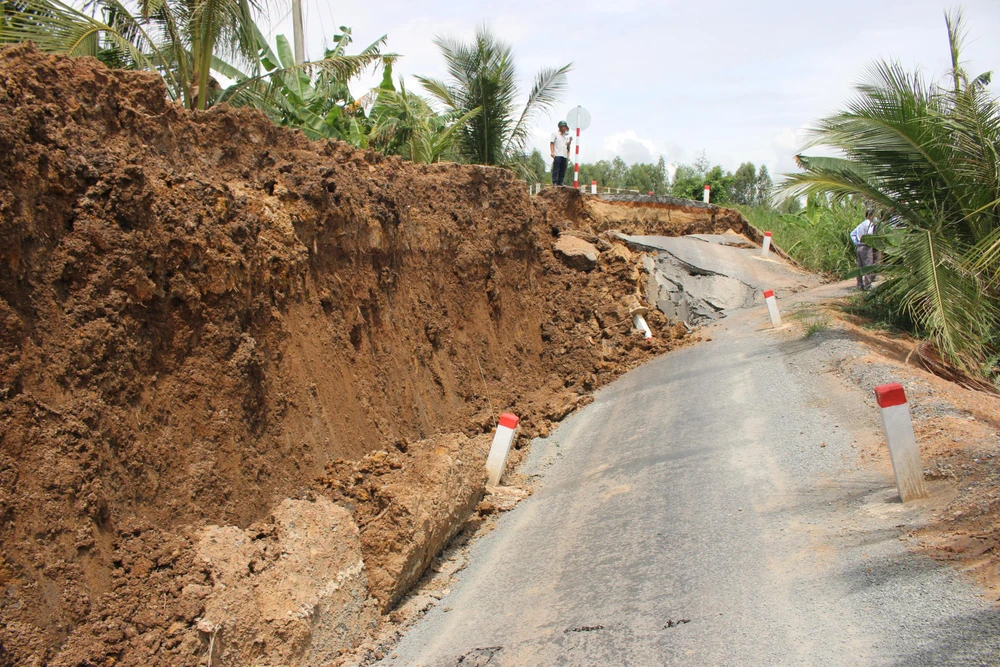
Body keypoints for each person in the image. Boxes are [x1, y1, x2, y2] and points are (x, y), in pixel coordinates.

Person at [850, 209, 878, 290]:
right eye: (874, 216)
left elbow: (852, 233)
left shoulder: (861, 224)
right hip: (866, 247)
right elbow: (869, 235)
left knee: (860, 266)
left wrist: (856, 242)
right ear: (870, 216)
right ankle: (867, 285)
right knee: (868, 266)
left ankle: (859, 285)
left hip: (859, 247)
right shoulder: (870, 225)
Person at [550, 121, 572, 186]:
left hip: (564, 155)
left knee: (563, 169)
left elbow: (567, 146)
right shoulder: (555, 134)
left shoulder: (565, 137)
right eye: (563, 127)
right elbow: (552, 143)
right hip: (557, 154)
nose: (564, 128)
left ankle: (560, 182)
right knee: (556, 169)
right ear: (560, 127)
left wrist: (570, 141)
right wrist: (552, 152)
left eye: (565, 127)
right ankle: (554, 182)